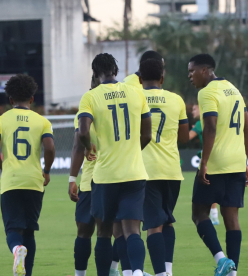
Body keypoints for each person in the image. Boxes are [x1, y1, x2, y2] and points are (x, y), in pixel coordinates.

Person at [77, 53, 152, 276]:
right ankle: (137, 272)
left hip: (106, 175)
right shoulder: (136, 93)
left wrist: (88, 145)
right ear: (116, 71)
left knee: (104, 232)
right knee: (132, 230)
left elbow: (82, 131)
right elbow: (147, 134)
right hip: (134, 172)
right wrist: (131, 151)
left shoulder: (90, 97)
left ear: (95, 73)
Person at [187, 54, 248, 276]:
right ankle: (233, 272)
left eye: (192, 71)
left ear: (205, 71)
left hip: (216, 163)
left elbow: (210, 127)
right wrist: (244, 160)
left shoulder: (206, 92)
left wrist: (204, 162)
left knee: (199, 213)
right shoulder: (233, 89)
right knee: (231, 218)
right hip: (236, 163)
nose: (190, 76)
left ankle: (221, 259)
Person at [0, 74, 56, 276]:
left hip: (12, 181)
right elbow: (50, 147)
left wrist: (3, 164)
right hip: (35, 181)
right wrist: (47, 170)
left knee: (13, 231)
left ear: (10, 100)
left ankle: (17, 250)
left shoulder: (1, 120)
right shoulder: (42, 121)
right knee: (29, 231)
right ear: (32, 99)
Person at [69, 77, 128, 276]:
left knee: (84, 232)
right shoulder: (121, 108)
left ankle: (81, 274)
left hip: (89, 181)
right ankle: (112, 270)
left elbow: (78, 145)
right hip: (114, 177)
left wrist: (71, 179)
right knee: (110, 231)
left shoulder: (85, 111)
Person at [140, 59, 190, 276]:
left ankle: (160, 274)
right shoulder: (176, 100)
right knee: (167, 220)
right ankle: (168, 271)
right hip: (171, 169)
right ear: (162, 78)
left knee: (153, 225)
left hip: (146, 169)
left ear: (140, 79)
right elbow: (185, 137)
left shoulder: (135, 98)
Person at [188, 104, 220, 225]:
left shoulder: (199, 124)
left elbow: (187, 137)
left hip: (209, 160)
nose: (192, 112)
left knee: (204, 190)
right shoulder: (213, 120)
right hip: (219, 157)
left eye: (194, 109)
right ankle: (215, 216)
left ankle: (213, 217)